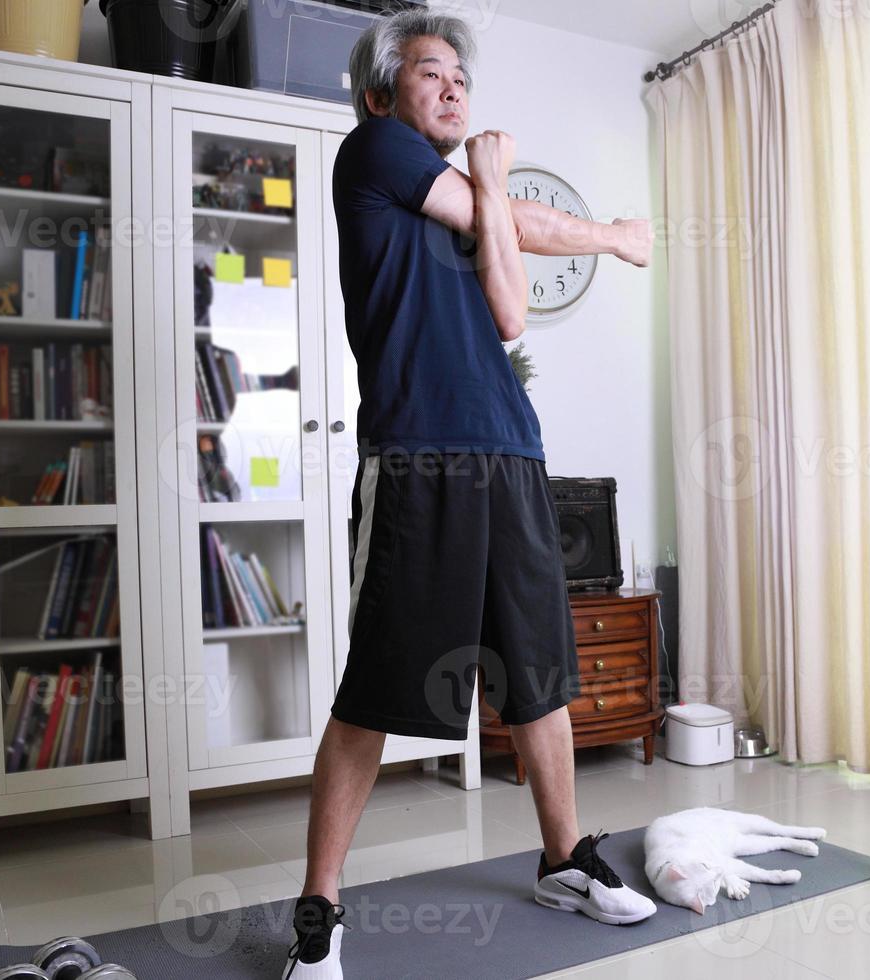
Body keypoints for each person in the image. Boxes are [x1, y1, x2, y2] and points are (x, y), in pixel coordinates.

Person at [283, 10, 657, 979]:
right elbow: (522, 220)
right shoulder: (377, 152)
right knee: (378, 683)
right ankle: (320, 906)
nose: (452, 87)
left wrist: (503, 198)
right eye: (429, 72)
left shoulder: (470, 202)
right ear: (380, 94)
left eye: (462, 78)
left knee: (538, 670)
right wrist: (614, 234)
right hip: (418, 457)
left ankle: (563, 856)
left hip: (510, 453)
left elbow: (508, 297)